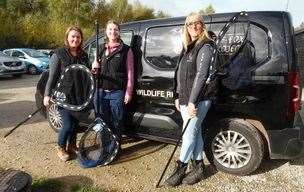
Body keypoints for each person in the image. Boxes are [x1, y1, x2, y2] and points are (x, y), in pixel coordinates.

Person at [165, 12, 216, 186]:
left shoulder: (205, 46)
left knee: (188, 135)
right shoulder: (188, 46)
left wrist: (193, 101)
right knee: (195, 132)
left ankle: (180, 169)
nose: (193, 26)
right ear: (186, 27)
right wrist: (178, 96)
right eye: (190, 24)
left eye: (197, 23)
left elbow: (201, 76)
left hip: (200, 99)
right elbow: (180, 74)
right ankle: (200, 167)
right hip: (187, 98)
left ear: (202, 25)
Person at [43, 26, 89, 161]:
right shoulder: (58, 54)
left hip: (78, 96)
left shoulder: (83, 55)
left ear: (81, 39)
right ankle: (60, 147)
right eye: (73, 36)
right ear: (67, 38)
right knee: (68, 124)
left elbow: (85, 74)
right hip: (62, 96)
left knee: (75, 123)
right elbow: (52, 76)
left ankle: (72, 145)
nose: (75, 39)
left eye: (78, 37)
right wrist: (46, 95)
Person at [92, 20, 134, 144]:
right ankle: (105, 147)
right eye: (110, 29)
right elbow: (94, 72)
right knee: (102, 122)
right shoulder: (100, 48)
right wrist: (94, 68)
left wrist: (128, 92)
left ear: (119, 32)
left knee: (117, 122)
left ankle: (115, 148)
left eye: (115, 29)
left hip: (117, 93)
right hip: (100, 92)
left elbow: (130, 73)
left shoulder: (126, 50)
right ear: (106, 31)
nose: (112, 32)